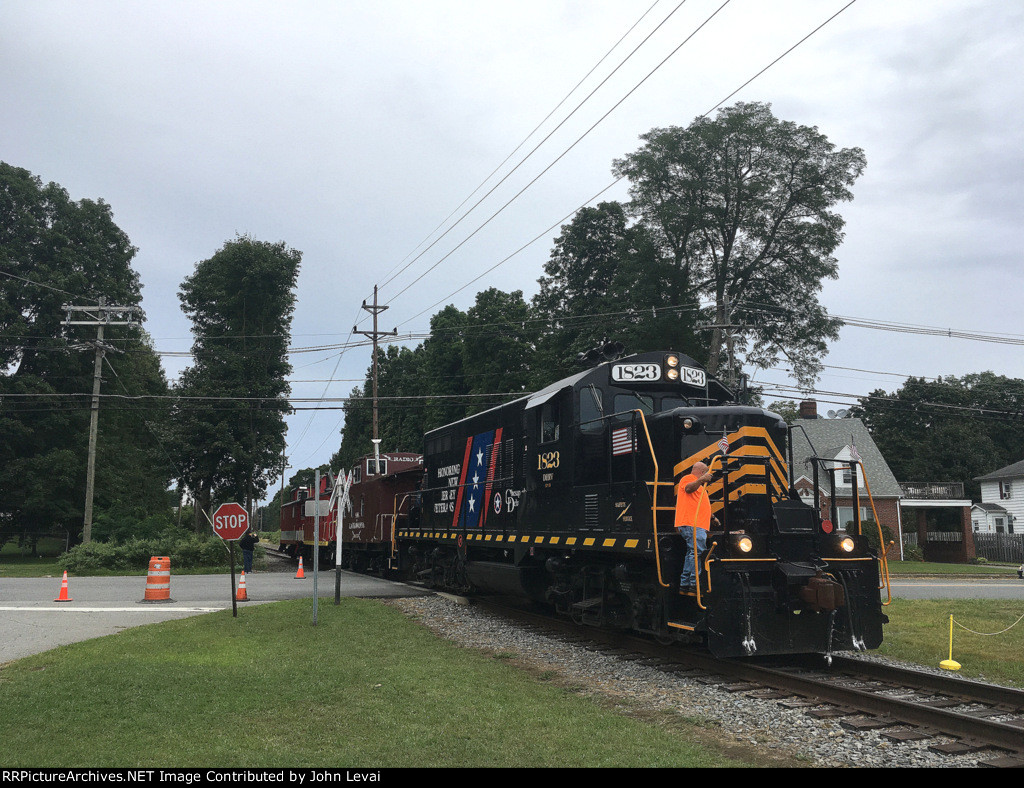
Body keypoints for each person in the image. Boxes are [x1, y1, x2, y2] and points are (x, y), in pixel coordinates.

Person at [674, 460, 719, 592]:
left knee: (692, 552)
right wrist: (701, 480)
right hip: (691, 523)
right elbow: (688, 489)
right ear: (703, 472)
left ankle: (686, 583)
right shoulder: (688, 479)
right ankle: (695, 583)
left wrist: (713, 518)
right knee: (698, 552)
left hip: (697, 525)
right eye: (706, 474)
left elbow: (699, 504)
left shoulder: (701, 487)